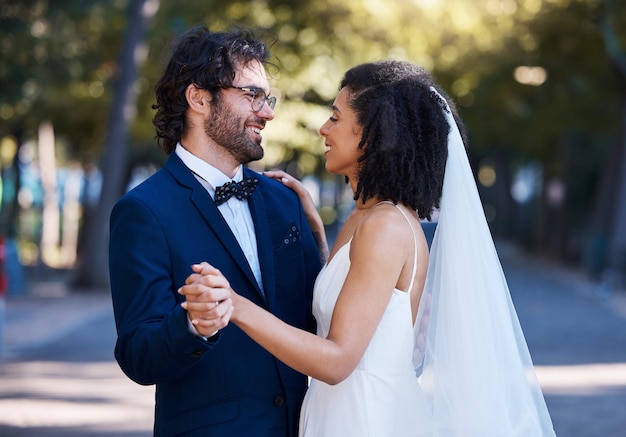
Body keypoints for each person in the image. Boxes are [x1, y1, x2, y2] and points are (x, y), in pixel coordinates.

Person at [180, 60, 556, 436]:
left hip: (366, 419)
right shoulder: (365, 218)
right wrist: (316, 230)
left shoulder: (386, 226)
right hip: (340, 412)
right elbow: (352, 302)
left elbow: (339, 360)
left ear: (372, 135)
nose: (323, 128)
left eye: (336, 118)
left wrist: (235, 304)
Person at [108, 25, 324, 437]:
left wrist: (322, 245)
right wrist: (193, 324)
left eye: (268, 97)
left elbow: (318, 326)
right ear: (199, 98)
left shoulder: (286, 202)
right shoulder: (142, 211)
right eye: (251, 95)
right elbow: (137, 356)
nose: (268, 112)